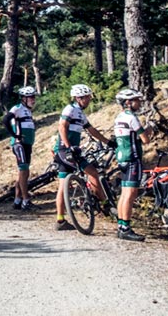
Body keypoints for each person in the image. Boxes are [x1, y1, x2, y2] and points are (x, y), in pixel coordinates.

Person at [53, 84, 116, 231]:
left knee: (63, 185)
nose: (89, 100)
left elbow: (91, 130)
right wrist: (69, 146)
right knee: (93, 173)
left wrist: (107, 142)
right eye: (87, 98)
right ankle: (105, 205)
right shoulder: (70, 109)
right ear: (78, 98)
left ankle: (60, 220)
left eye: (89, 97)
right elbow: (62, 127)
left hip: (64, 151)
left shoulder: (79, 113)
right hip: (66, 150)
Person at [111, 88, 152, 241]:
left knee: (124, 193)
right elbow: (145, 139)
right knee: (130, 194)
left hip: (121, 157)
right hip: (133, 158)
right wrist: (149, 129)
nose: (139, 103)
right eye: (136, 100)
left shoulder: (119, 117)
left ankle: (121, 225)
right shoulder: (131, 117)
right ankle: (125, 228)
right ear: (128, 102)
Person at [1, 86, 38, 210]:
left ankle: (17, 200)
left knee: (24, 173)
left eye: (34, 97)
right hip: (19, 144)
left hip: (27, 144)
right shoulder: (17, 108)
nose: (33, 99)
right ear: (23, 98)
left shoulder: (28, 110)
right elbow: (5, 120)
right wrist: (14, 135)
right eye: (31, 97)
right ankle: (26, 200)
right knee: (23, 170)